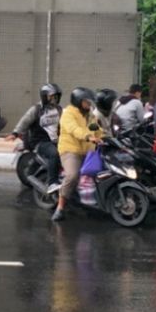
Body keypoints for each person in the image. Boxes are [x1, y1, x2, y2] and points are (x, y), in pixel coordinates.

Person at [52, 87, 103, 222]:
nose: (89, 104)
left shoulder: (90, 114)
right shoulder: (68, 113)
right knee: (73, 175)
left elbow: (96, 129)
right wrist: (88, 136)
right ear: (78, 101)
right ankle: (60, 207)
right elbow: (74, 129)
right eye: (87, 102)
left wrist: (106, 137)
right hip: (70, 151)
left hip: (87, 151)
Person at [8, 83, 63, 178]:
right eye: (52, 97)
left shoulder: (59, 110)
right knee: (54, 153)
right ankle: (52, 182)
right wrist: (15, 133)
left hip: (54, 141)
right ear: (44, 97)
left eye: (56, 97)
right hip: (40, 141)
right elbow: (25, 121)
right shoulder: (37, 109)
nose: (54, 99)